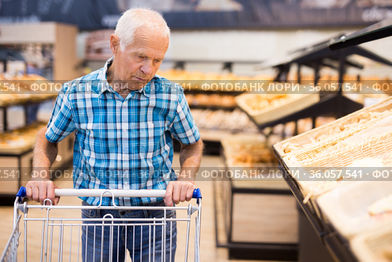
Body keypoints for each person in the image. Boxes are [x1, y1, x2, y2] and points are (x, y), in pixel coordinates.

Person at [25, 8, 203, 261]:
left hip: (155, 215)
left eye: (157, 60)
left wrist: (185, 178)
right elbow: (48, 138)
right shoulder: (77, 93)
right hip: (100, 215)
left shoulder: (170, 95)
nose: (148, 69)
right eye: (141, 56)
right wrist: (40, 176)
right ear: (114, 44)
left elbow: (192, 145)